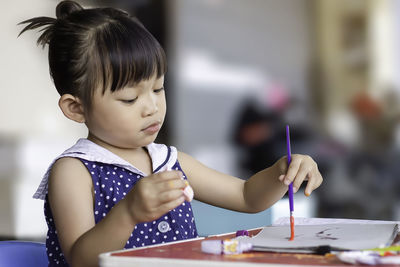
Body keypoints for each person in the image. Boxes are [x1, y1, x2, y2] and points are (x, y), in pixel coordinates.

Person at [19, 1, 323, 267]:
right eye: (129, 99)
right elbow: (82, 260)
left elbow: (247, 197)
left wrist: (282, 172)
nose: (151, 107)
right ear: (76, 108)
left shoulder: (170, 161)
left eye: (158, 88)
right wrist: (127, 213)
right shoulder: (74, 171)